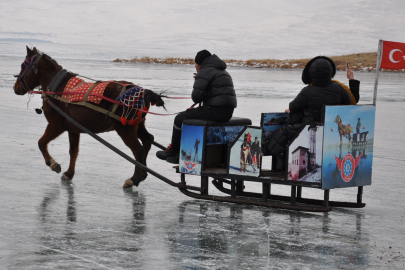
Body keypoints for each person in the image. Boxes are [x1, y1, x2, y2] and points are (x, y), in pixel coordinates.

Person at [264, 57, 351, 165]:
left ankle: (281, 163)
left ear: (312, 74)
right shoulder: (339, 88)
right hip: (331, 130)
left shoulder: (307, 91)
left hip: (310, 128)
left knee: (283, 132)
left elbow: (293, 106)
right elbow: (349, 103)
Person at [156, 50, 237, 164]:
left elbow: (196, 98)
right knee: (186, 116)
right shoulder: (222, 71)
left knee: (179, 119)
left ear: (200, 63)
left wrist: (198, 79)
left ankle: (173, 153)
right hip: (227, 113)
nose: (195, 66)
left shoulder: (204, 72)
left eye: (196, 64)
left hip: (214, 111)